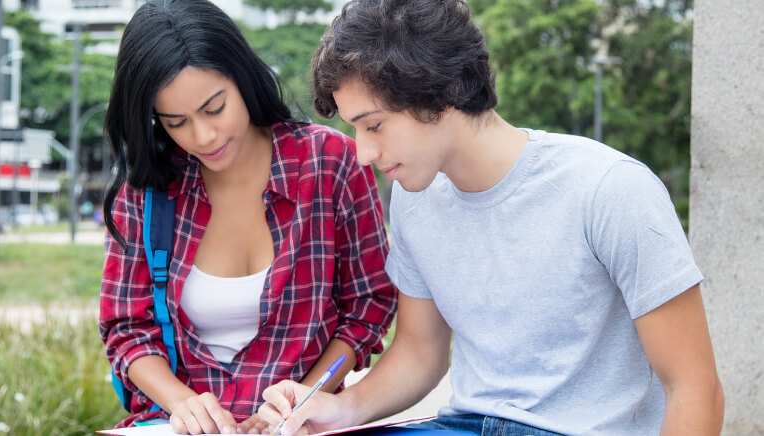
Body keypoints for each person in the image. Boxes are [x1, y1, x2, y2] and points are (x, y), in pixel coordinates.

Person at [258, 1, 724, 435]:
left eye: (374, 125)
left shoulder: (610, 188)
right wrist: (337, 407)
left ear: (441, 94)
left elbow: (694, 387)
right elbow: (421, 351)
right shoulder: (414, 199)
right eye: (354, 129)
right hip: (466, 424)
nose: (362, 153)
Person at [98, 0, 397, 434]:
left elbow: (368, 309)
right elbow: (127, 327)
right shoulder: (147, 188)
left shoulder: (329, 164)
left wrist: (305, 401)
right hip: (172, 426)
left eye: (214, 108)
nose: (204, 136)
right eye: (176, 122)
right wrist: (185, 406)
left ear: (242, 77)